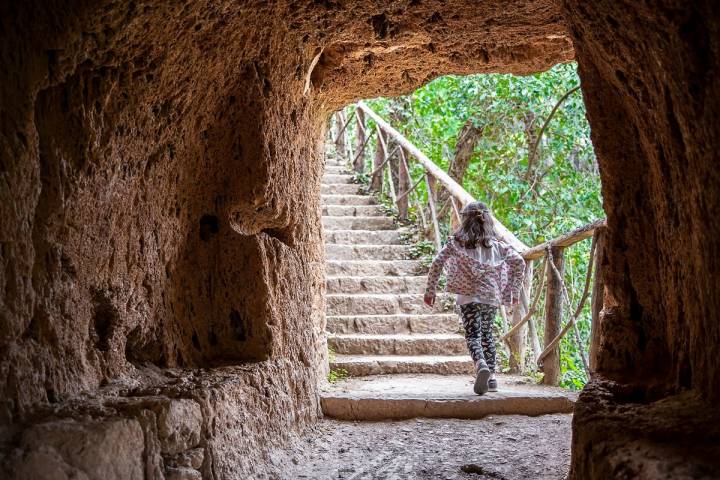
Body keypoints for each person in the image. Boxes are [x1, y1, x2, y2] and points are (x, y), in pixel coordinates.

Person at [424, 201, 525, 395]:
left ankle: (480, 365)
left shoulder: (456, 244)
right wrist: (513, 289)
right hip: (491, 297)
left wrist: (430, 291)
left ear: (465, 221)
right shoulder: (498, 246)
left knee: (472, 335)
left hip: (467, 297)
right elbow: (519, 262)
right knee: (487, 334)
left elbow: (437, 262)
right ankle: (492, 379)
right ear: (488, 221)